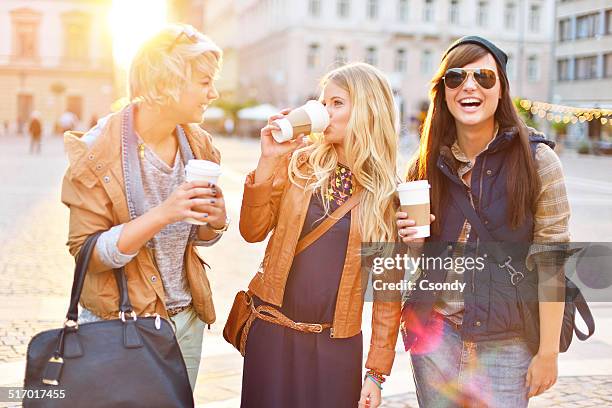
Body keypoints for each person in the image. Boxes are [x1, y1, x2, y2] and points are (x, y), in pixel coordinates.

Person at [397, 36, 570, 407]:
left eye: (484, 77)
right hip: (435, 339)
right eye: (456, 77)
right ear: (443, 91)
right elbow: (418, 258)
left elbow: (551, 263)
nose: (469, 86)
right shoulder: (425, 165)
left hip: (507, 343)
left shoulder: (539, 163)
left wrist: (548, 352)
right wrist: (411, 242)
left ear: (501, 88)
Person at [61, 23, 228, 390]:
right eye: (203, 82)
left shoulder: (198, 144)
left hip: (186, 321)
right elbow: (89, 253)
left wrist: (214, 222)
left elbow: (199, 236)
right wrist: (165, 212)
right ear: (166, 83)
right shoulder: (95, 152)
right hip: (121, 325)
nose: (213, 93)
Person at [238, 62, 401, 408]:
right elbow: (251, 231)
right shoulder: (298, 163)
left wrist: (376, 372)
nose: (325, 111)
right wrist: (268, 162)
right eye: (323, 103)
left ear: (368, 111)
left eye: (337, 103)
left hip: (335, 347)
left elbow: (388, 293)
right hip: (272, 331)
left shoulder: (388, 195)